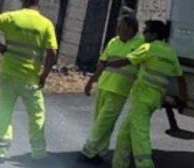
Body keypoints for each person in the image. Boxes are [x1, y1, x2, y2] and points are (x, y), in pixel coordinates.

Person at [0, 0, 58, 162]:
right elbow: (52, 52)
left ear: (24, 1)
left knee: (4, 111)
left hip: (8, 75)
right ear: (38, 3)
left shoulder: (12, 17)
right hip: (30, 78)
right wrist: (44, 75)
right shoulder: (46, 24)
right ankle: (38, 153)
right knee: (36, 115)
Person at [105, 20, 187, 168]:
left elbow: (126, 60)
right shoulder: (170, 52)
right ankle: (119, 164)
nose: (143, 34)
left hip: (142, 99)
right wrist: (182, 100)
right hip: (154, 100)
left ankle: (145, 164)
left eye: (146, 31)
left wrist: (106, 64)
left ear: (154, 34)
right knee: (125, 133)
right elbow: (180, 78)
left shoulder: (148, 48)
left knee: (140, 135)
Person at [79, 15, 143, 164]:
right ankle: (100, 151)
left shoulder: (140, 44)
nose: (118, 30)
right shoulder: (114, 41)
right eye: (118, 28)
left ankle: (88, 150)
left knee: (104, 123)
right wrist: (91, 81)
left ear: (131, 28)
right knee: (100, 121)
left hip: (119, 90)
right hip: (103, 86)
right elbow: (102, 63)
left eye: (121, 28)